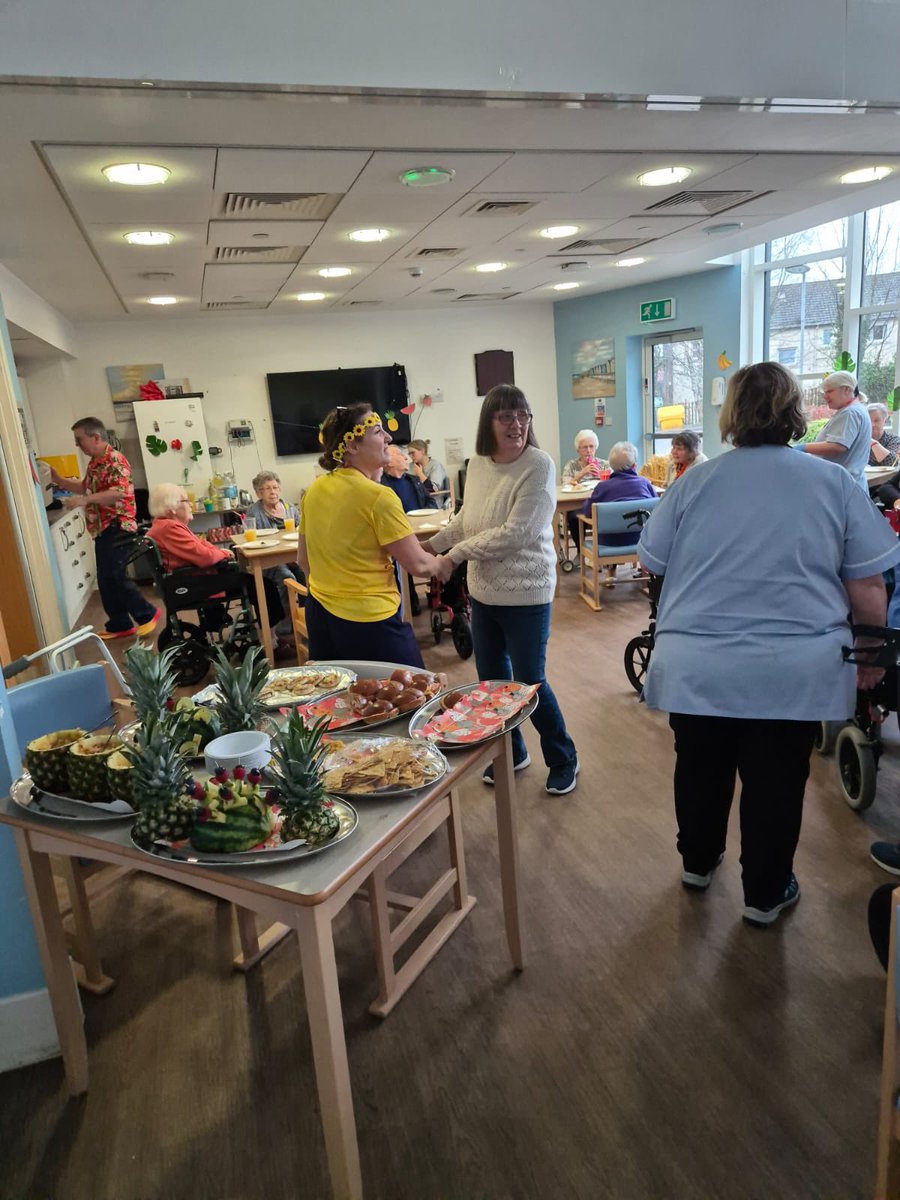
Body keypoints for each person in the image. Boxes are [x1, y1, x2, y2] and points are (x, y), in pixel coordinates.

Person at [638, 362, 900, 927]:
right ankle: (764, 892)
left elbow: (651, 561)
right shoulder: (831, 483)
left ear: (731, 415)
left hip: (697, 661)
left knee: (700, 769)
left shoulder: (695, 481)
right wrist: (872, 658)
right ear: (797, 414)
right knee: (775, 783)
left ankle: (697, 863)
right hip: (792, 667)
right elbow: (868, 585)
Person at [427, 383, 579, 795]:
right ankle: (512, 752)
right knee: (491, 681)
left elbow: (515, 534)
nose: (517, 424)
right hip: (484, 590)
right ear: (488, 423)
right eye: (506, 417)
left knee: (530, 682)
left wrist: (453, 556)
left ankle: (564, 756)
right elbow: (465, 520)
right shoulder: (478, 465)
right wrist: (430, 549)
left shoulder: (539, 465)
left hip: (526, 592)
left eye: (524, 415)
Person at [298, 405, 451, 666]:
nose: (389, 439)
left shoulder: (315, 489)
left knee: (339, 702)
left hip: (320, 615)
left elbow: (303, 560)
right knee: (415, 694)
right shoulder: (378, 496)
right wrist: (446, 563)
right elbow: (420, 565)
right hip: (369, 621)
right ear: (352, 446)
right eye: (378, 431)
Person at [147, 482, 295, 659]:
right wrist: (221, 553)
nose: (190, 505)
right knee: (263, 585)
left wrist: (217, 552)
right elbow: (205, 556)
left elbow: (202, 546)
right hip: (192, 582)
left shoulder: (164, 526)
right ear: (171, 508)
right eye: (186, 501)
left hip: (190, 579)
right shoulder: (169, 528)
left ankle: (272, 636)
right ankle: (270, 643)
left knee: (255, 581)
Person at [49, 417, 160, 641]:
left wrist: (83, 500)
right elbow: (84, 486)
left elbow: (118, 492)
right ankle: (119, 624)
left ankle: (148, 614)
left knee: (115, 575)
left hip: (118, 525)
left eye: (79, 439)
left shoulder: (114, 460)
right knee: (107, 579)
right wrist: (58, 479)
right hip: (103, 528)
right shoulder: (95, 462)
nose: (77, 445)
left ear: (95, 437)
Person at [245, 470, 305, 644]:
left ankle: (303, 618)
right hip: (269, 559)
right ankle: (284, 625)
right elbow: (254, 541)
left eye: (275, 487)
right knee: (287, 577)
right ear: (258, 493)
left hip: (292, 555)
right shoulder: (254, 512)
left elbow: (302, 531)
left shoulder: (289, 508)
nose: (273, 492)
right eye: (267, 488)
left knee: (306, 574)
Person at [798, 369, 871, 491]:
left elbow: (837, 447)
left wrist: (801, 448)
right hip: (845, 485)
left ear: (847, 389)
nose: (825, 397)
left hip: (842, 487)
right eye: (824, 392)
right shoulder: (855, 410)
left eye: (830, 391)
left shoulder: (850, 413)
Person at [561, 429, 610, 554]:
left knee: (611, 512)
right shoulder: (571, 465)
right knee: (573, 517)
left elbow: (614, 483)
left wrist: (601, 475)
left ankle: (605, 551)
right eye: (584, 447)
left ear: (596, 447)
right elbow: (565, 485)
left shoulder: (604, 464)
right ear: (578, 450)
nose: (588, 451)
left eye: (591, 446)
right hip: (578, 503)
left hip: (601, 501)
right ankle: (581, 552)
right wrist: (582, 473)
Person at [381, 446, 437, 511]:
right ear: (389, 462)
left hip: (423, 519)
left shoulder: (414, 480)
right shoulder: (381, 486)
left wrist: (423, 513)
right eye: (400, 454)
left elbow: (431, 501)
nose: (406, 458)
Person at [408, 439, 451, 506]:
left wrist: (420, 474)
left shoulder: (435, 465)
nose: (411, 456)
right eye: (409, 454)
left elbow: (433, 489)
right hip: (416, 504)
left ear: (422, 451)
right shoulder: (410, 467)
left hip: (433, 504)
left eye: (413, 453)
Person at [868, 402, 900, 467]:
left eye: (876, 420)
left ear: (884, 421)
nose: (872, 425)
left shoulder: (894, 440)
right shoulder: (857, 440)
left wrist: (871, 442)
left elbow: (892, 463)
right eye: (868, 420)